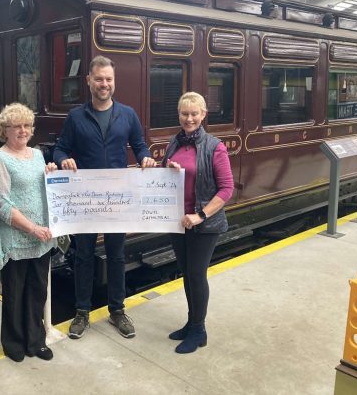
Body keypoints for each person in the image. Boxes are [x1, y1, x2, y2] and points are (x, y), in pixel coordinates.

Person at [53, 55, 156, 340]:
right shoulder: (76, 117)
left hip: (117, 198)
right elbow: (60, 149)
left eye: (108, 79)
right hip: (86, 198)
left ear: (114, 82)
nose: (104, 84)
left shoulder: (127, 114)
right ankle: (82, 313)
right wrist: (64, 161)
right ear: (89, 80)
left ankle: (117, 311)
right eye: (98, 79)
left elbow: (139, 145)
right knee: (83, 256)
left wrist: (146, 158)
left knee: (116, 255)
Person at [162, 91, 233, 354]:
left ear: (203, 114)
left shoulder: (215, 147)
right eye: (184, 113)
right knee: (187, 274)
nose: (189, 118)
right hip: (178, 222)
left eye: (194, 113)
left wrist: (201, 214)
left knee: (196, 274)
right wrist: (168, 168)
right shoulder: (174, 143)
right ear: (179, 115)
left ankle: (199, 330)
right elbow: (167, 176)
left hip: (203, 225)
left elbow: (226, 189)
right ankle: (191, 323)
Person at [0, 103, 58, 363]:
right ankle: (13, 342)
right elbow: (2, 204)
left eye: (27, 125)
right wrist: (32, 228)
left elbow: (43, 189)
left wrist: (51, 175)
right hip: (17, 237)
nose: (22, 130)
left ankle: (36, 340)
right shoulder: (0, 158)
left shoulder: (38, 154)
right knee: (15, 292)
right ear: (4, 130)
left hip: (42, 237)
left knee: (37, 290)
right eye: (16, 126)